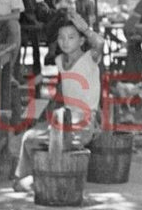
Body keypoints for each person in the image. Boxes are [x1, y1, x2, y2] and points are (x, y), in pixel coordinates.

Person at [11, 17, 105, 192]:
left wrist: (84, 27)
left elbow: (99, 42)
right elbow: (55, 84)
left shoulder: (90, 59)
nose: (65, 42)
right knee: (29, 138)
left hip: (83, 124)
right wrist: (24, 85)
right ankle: (25, 177)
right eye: (61, 37)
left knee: (39, 141)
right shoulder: (60, 60)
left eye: (71, 37)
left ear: (82, 40)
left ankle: (36, 180)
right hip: (64, 121)